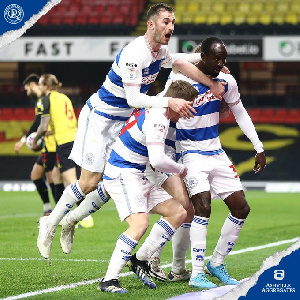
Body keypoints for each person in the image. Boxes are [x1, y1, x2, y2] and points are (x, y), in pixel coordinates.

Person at [36, 3, 226, 260]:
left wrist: (211, 75)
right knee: (89, 182)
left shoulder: (159, 51)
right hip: (101, 119)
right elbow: (135, 98)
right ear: (151, 24)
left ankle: (71, 221)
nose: (170, 27)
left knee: (112, 179)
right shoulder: (134, 54)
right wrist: (168, 101)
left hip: (123, 121)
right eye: (166, 22)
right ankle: (51, 223)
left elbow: (180, 61)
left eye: (173, 23)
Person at [160, 37, 266, 288]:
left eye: (224, 59)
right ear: (202, 58)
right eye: (216, 58)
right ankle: (196, 273)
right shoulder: (181, 80)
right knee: (202, 207)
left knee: (241, 208)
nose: (221, 63)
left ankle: (216, 263)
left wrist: (258, 147)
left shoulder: (227, 81)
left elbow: (240, 112)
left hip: (216, 152)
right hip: (190, 153)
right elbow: (169, 60)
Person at [99, 80, 199, 293]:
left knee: (178, 211)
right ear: (176, 103)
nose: (188, 110)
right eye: (188, 105)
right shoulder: (158, 120)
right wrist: (180, 169)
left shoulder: (157, 108)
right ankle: (109, 280)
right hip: (122, 173)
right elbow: (158, 161)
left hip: (137, 172)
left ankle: (141, 259)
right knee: (139, 223)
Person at [14, 74, 58, 215]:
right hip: (46, 144)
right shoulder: (41, 101)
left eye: (27, 89)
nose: (27, 93)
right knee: (36, 176)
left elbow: (38, 124)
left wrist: (27, 140)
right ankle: (48, 209)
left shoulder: (44, 100)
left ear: (33, 85)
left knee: (53, 178)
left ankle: (60, 212)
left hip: (52, 144)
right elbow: (37, 123)